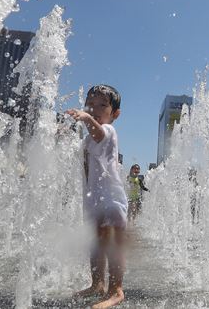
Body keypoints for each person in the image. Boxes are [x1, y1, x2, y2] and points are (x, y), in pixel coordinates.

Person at [66, 84, 127, 309]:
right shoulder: (87, 140)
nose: (95, 109)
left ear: (115, 114)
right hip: (94, 201)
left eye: (102, 105)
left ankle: (116, 290)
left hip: (111, 201)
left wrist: (85, 118)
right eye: (90, 105)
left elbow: (98, 133)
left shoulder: (108, 131)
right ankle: (97, 284)